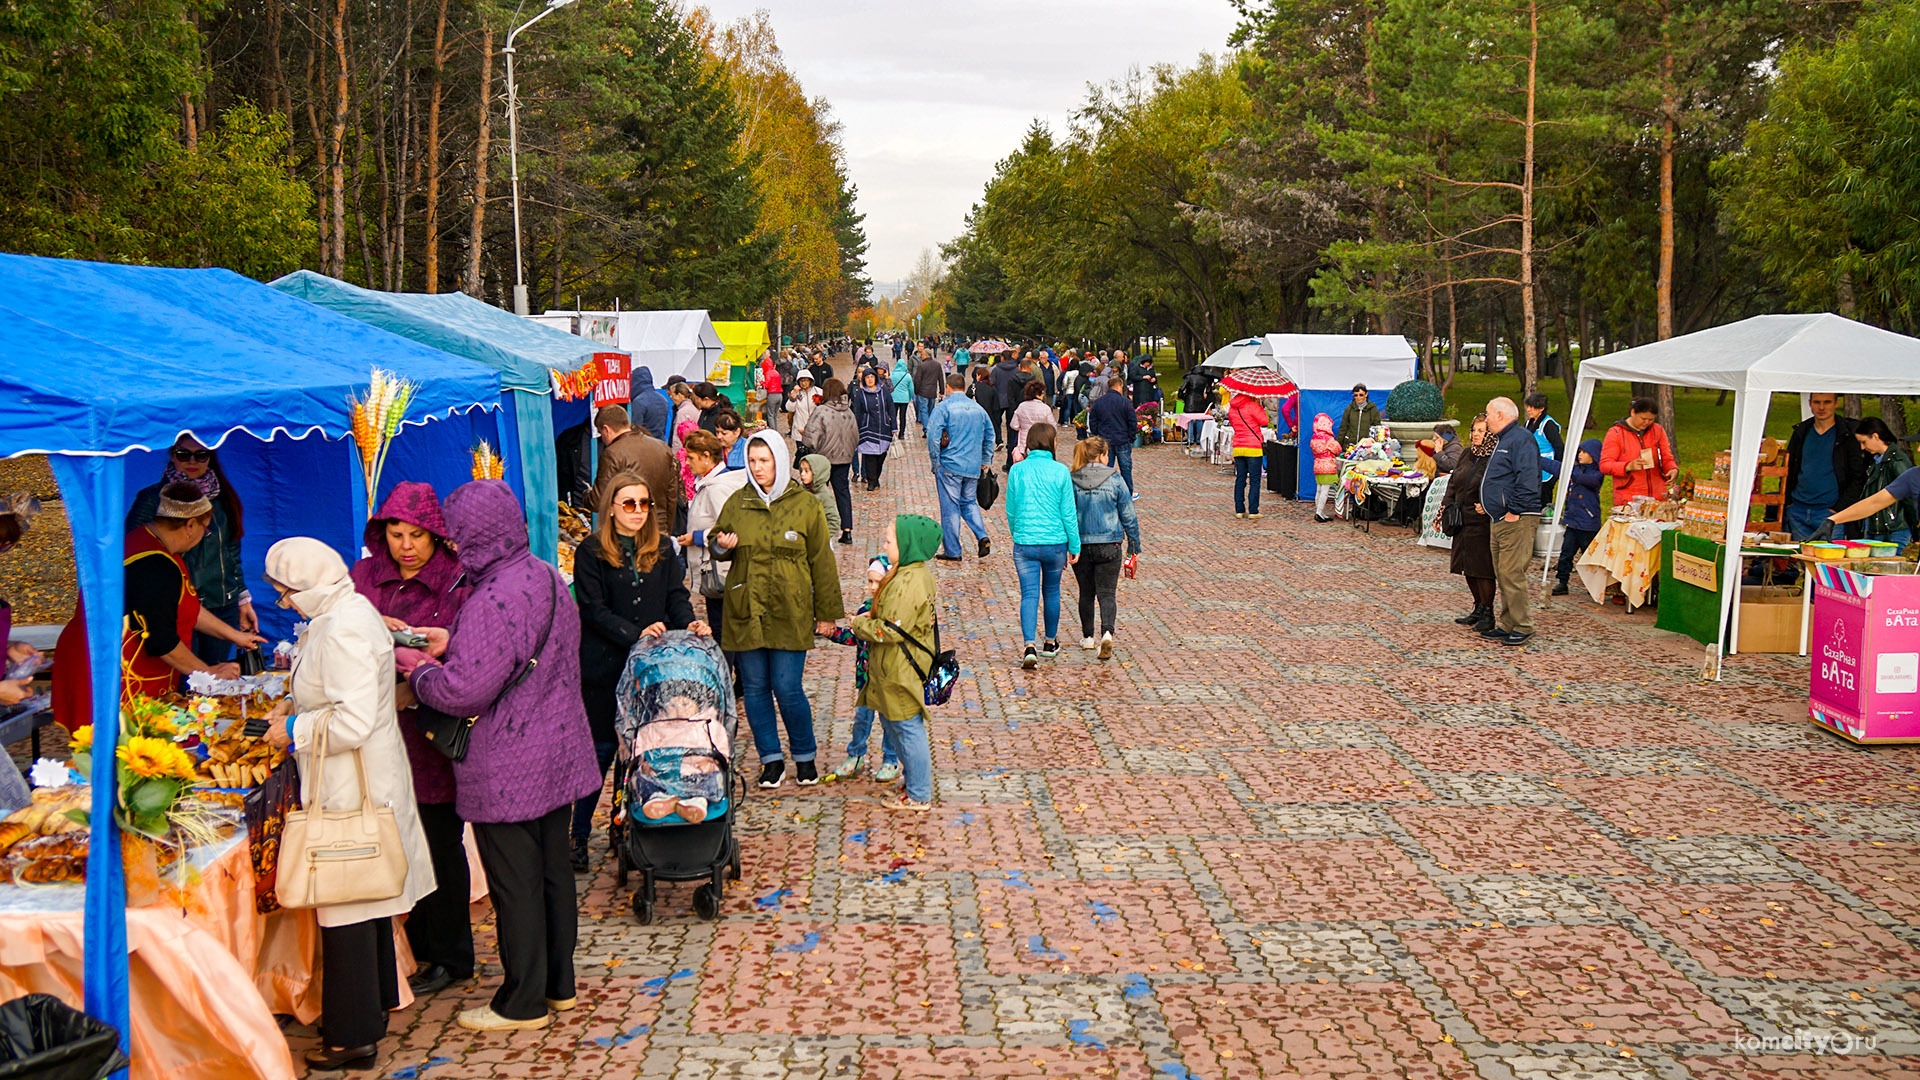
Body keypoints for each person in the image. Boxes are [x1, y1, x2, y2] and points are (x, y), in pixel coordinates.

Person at [400, 479, 600, 1032]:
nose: (454, 545)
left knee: (516, 882)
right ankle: (559, 986)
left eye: (458, 534)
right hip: (557, 746)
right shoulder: (541, 574)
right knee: (553, 873)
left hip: (509, 758)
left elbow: (464, 690)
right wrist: (453, 642)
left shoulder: (491, 596)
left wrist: (420, 673)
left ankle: (522, 1002)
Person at [260, 537, 434, 1072]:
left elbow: (353, 722)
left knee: (347, 909)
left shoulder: (341, 629)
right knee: (366, 901)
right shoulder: (346, 609)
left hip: (350, 785)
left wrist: (293, 728)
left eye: (286, 593)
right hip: (357, 779)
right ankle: (376, 1001)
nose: (284, 603)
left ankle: (351, 1036)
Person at [347, 483, 474, 998]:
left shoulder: (456, 583)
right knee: (396, 845)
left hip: (430, 735)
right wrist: (371, 622)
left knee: (439, 844)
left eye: (417, 535)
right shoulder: (362, 579)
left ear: (435, 536)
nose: (406, 546)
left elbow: (470, 651)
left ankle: (450, 955)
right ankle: (413, 950)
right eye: (396, 534)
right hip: (374, 732)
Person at [573, 476, 708, 868]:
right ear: (611, 508)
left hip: (648, 673)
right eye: (628, 503)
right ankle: (579, 834)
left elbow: (675, 596)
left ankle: (625, 825)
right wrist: (635, 633)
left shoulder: (662, 550)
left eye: (644, 503)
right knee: (599, 753)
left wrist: (690, 625)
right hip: (603, 668)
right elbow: (593, 609)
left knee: (641, 751)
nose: (637, 511)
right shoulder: (591, 552)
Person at [53, 483, 250, 731]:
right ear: (190, 526)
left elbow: (187, 606)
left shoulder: (155, 544)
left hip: (102, 657)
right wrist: (208, 674)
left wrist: (235, 636)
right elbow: (162, 642)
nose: (205, 533)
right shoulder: (154, 564)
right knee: (120, 753)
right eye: (204, 527)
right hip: (110, 671)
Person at [709, 430, 845, 788]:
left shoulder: (805, 505)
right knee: (754, 687)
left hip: (790, 607)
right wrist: (722, 545)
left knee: (787, 686)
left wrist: (827, 613)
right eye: (752, 462)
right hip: (747, 606)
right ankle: (771, 759)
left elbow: (822, 561)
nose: (758, 468)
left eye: (764, 461)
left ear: (779, 462)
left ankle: (804, 755)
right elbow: (716, 541)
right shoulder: (738, 502)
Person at [127, 435, 256, 664]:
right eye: (183, 454)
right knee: (186, 677)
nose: (192, 460)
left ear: (211, 457)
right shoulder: (151, 502)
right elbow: (138, 556)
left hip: (218, 602)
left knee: (210, 685)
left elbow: (231, 552)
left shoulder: (224, 497)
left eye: (201, 454)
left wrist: (241, 599)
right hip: (174, 600)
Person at [841, 515, 941, 811]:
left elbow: (892, 629)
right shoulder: (905, 573)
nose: (884, 545)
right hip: (891, 667)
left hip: (901, 667)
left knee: (908, 728)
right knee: (895, 724)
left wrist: (859, 625)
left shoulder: (909, 581)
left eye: (889, 540)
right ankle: (913, 783)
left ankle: (919, 793)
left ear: (908, 545)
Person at [1005, 424, 1081, 669]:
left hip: (1025, 541)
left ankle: (1029, 645)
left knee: (1028, 594)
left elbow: (1011, 509)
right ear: (1051, 443)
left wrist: (1018, 533)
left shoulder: (1018, 471)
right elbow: (1068, 512)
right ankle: (1050, 641)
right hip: (1055, 542)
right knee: (1051, 592)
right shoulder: (1060, 472)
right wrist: (1075, 543)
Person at [823, 557, 901, 784]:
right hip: (866, 680)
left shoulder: (896, 609)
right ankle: (855, 755)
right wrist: (833, 633)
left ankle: (890, 759)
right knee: (861, 719)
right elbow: (855, 637)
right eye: (870, 582)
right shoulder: (866, 608)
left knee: (889, 721)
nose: (874, 587)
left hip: (888, 678)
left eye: (879, 582)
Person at [1070, 436, 1139, 661]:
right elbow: (1128, 514)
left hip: (1081, 544)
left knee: (1086, 592)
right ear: (1101, 455)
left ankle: (1088, 637)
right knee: (1107, 593)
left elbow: (1067, 514)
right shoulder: (1116, 480)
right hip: (1110, 542)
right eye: (1107, 454)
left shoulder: (1072, 479)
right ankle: (1107, 633)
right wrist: (1134, 543)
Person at [1479, 397, 1541, 646]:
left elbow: (1528, 477)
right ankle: (1508, 622)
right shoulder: (1505, 439)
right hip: (1501, 518)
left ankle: (1523, 625)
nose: (1486, 419)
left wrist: (1514, 509)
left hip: (1517, 518)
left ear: (1501, 415)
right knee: (1502, 572)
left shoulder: (1520, 439)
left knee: (1511, 572)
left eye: (1488, 414)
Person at [926, 373, 997, 562]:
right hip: (972, 465)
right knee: (968, 502)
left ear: (948, 388)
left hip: (950, 464)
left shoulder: (943, 408)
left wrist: (935, 462)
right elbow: (991, 435)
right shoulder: (978, 409)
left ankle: (953, 550)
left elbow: (933, 436)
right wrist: (985, 459)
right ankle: (982, 535)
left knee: (950, 508)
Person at [1783, 393, 1867, 541]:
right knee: (1802, 562)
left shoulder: (1847, 434)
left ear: (1836, 403)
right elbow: (1788, 470)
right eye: (1817, 402)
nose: (1821, 407)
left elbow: (1858, 476)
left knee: (1829, 562)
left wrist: (1839, 508)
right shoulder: (1801, 432)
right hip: (1798, 510)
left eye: (1827, 402)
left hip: (1830, 513)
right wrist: (1789, 503)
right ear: (1810, 403)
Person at [1444, 416, 1498, 632]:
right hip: (1461, 517)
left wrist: (1488, 505)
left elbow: (1497, 485)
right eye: (1474, 430)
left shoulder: (1494, 457)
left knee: (1482, 568)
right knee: (1466, 566)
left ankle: (1488, 610)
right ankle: (1477, 606)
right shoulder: (1468, 453)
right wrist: (1446, 505)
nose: (1476, 434)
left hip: (1481, 520)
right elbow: (1454, 480)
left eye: (1482, 431)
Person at [592, 404, 680, 529]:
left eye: (601, 433)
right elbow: (671, 495)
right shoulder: (662, 447)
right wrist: (666, 528)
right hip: (658, 526)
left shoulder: (612, 453)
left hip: (627, 527)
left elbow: (599, 500)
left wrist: (586, 495)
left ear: (606, 429)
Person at [804, 378, 859, 544]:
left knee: (818, 491)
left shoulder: (821, 411)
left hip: (823, 459)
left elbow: (810, 439)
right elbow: (856, 436)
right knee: (843, 492)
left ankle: (815, 526)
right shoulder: (849, 412)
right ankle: (847, 530)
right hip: (844, 459)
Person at [1599, 397, 1678, 503]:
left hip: (1658, 496)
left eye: (1651, 420)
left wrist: (1672, 469)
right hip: (1629, 499)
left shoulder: (1657, 430)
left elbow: (1666, 456)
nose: (1646, 423)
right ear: (1632, 412)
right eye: (1643, 419)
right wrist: (1627, 466)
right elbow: (1605, 466)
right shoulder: (1616, 433)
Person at [1552, 439, 1605, 596]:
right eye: (1579, 452)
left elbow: (1584, 479)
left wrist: (1566, 471)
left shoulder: (1596, 475)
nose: (1580, 455)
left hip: (1588, 523)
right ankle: (1562, 581)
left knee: (1589, 555)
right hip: (1573, 521)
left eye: (1584, 452)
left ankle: (1594, 583)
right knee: (1566, 553)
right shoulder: (1575, 470)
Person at [1088, 380, 1137, 495]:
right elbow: (1132, 421)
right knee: (1125, 469)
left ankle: (1104, 492)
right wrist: (1131, 437)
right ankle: (1127, 493)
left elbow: (1093, 421)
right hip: (1122, 439)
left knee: (1105, 467)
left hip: (1105, 439)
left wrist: (1097, 435)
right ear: (1119, 387)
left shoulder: (1099, 402)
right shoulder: (1125, 402)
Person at [851, 369, 897, 491]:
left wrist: (894, 426)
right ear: (864, 379)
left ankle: (875, 478)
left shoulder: (883, 391)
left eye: (872, 376)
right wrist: (857, 429)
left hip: (883, 428)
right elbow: (858, 412)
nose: (870, 379)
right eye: (867, 377)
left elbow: (891, 408)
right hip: (868, 429)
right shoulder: (861, 394)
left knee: (881, 456)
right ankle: (871, 481)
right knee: (870, 457)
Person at [1227, 391, 1269, 519]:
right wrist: (1259, 406)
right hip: (1253, 447)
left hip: (1238, 446)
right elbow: (1265, 421)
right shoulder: (1253, 406)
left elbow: (1234, 425)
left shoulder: (1232, 408)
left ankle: (1239, 510)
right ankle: (1253, 511)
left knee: (1240, 478)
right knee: (1255, 480)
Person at [1524, 392, 1564, 504]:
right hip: (1531, 470)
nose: (1528, 410)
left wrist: (1555, 473)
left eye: (1532, 407)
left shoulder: (1548, 424)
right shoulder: (1529, 423)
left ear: (1541, 408)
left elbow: (1559, 448)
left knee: (1543, 502)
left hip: (1547, 472)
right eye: (1528, 406)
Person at [1008, 381, 1054, 467]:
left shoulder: (1022, 406)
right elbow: (1053, 427)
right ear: (1039, 393)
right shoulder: (1045, 408)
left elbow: (1014, 425)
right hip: (1041, 442)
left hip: (1024, 443)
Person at [799, 454, 841, 536]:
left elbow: (834, 521)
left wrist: (821, 538)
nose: (802, 474)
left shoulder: (824, 495)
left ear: (817, 473)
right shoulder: (801, 491)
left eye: (806, 471)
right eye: (801, 470)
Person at [1310, 414, 1342, 522]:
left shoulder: (1314, 438)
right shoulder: (1328, 439)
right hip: (1328, 466)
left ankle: (1320, 512)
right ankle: (1319, 513)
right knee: (1325, 491)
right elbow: (1338, 449)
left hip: (1317, 465)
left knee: (1318, 489)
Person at [629, 368, 671, 441]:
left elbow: (635, 428)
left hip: (644, 443)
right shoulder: (663, 399)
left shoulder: (639, 401)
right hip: (661, 442)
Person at [913, 350, 945, 435]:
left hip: (923, 391)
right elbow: (941, 379)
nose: (921, 356)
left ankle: (927, 430)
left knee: (923, 411)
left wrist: (916, 390)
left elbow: (917, 380)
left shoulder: (922, 366)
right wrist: (942, 391)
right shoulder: (937, 365)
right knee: (930, 410)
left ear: (926, 355)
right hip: (932, 391)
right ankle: (930, 428)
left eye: (922, 355)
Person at [786, 373, 819, 444]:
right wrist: (794, 394)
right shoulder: (796, 393)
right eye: (801, 381)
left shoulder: (818, 391)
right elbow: (790, 408)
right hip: (800, 429)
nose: (804, 383)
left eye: (806, 381)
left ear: (810, 381)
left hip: (815, 430)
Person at [670, 382, 701, 451]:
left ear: (680, 395)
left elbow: (677, 437)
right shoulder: (695, 407)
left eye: (672, 396)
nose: (672, 399)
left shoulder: (682, 412)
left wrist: (675, 454)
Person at [889, 352, 914, 437]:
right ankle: (902, 433)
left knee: (893, 415)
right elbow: (911, 389)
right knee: (902, 416)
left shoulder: (892, 375)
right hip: (904, 398)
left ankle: (892, 431)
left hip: (894, 398)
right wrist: (910, 397)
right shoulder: (907, 376)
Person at [759, 354, 785, 434]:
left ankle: (773, 432)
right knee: (775, 415)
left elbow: (766, 385)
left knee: (770, 415)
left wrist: (761, 382)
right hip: (779, 395)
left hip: (772, 395)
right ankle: (776, 431)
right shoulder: (776, 372)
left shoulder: (768, 373)